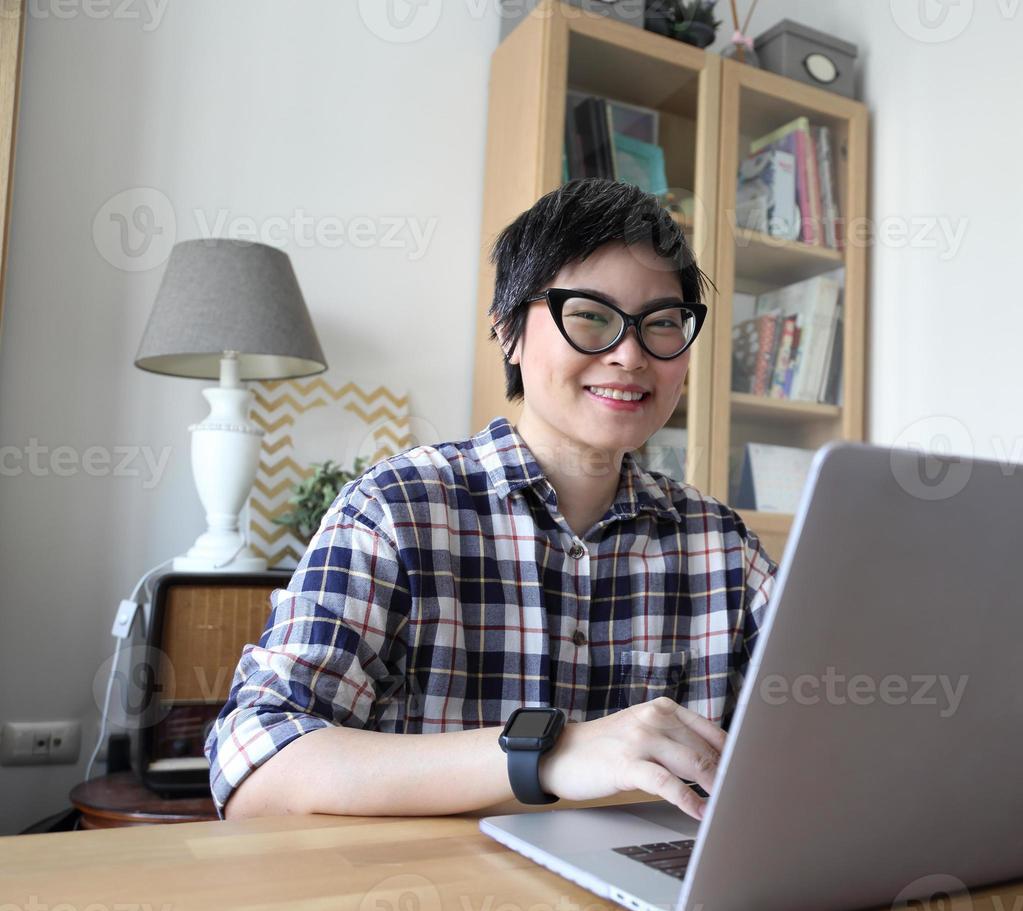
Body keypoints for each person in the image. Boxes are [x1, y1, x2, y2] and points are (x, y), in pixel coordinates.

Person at [205, 179, 778, 822]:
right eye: (590, 315)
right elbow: (255, 768)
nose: (629, 354)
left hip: (655, 905)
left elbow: (828, 743)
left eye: (663, 324)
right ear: (508, 331)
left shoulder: (722, 545)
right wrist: (547, 755)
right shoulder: (398, 510)